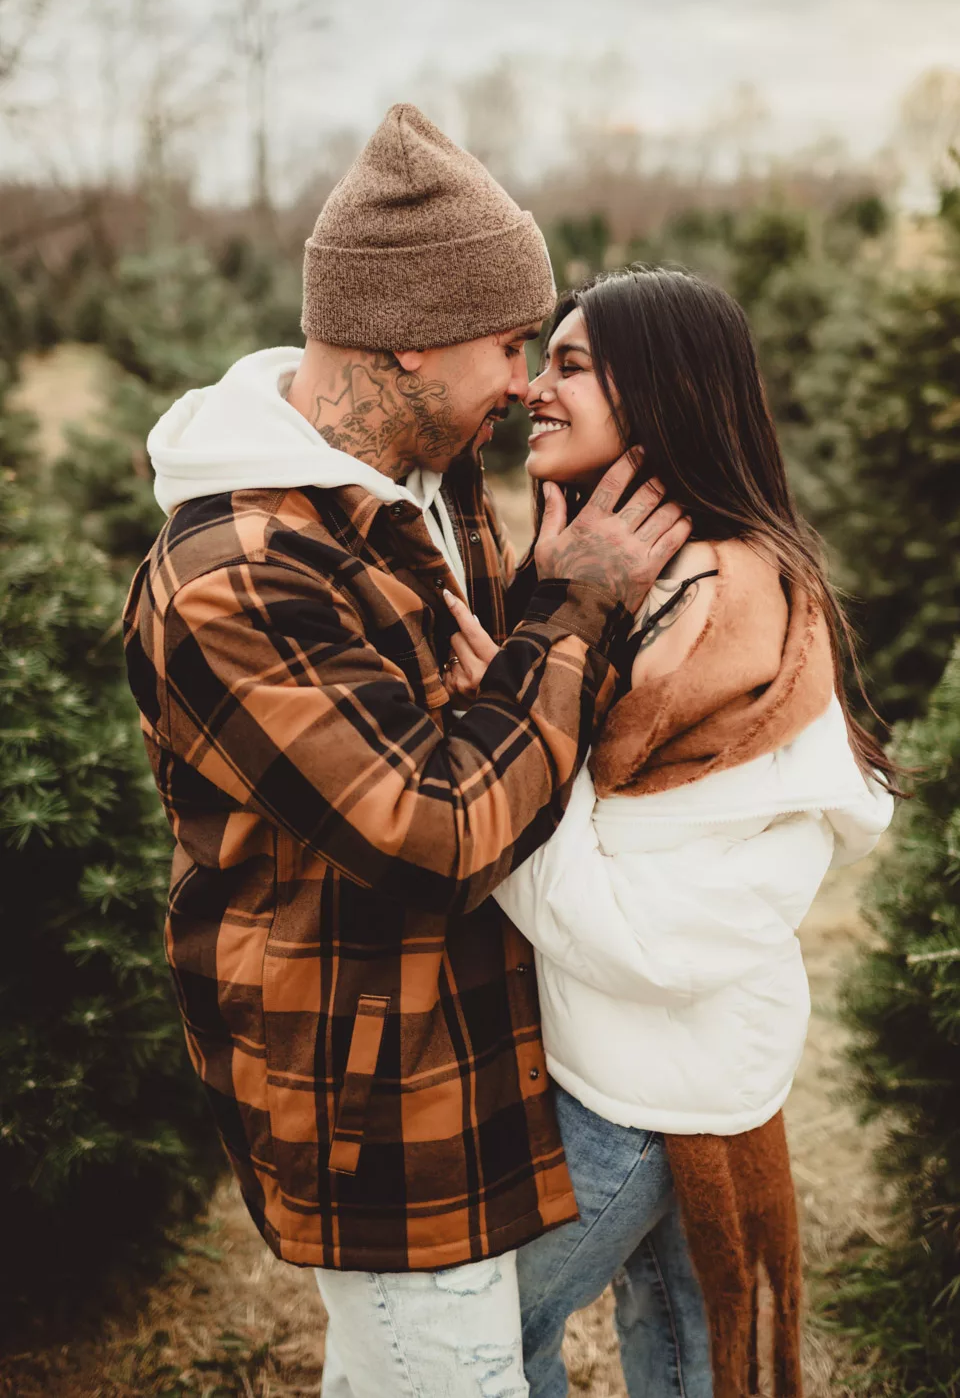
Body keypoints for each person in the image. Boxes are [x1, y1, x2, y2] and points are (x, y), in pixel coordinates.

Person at [122, 108, 691, 1398]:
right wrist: (573, 613)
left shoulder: (431, 490)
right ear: (411, 339)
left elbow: (496, 718)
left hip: (483, 1044)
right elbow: (431, 833)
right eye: (507, 346)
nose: (526, 384)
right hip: (372, 1100)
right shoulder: (236, 572)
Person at [443, 267, 897, 1398]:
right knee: (682, 1350)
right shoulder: (639, 575)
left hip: (641, 1094)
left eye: (571, 366)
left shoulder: (713, 606)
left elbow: (647, 934)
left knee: (482, 1338)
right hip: (637, 1065)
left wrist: (495, 733)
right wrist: (551, 619)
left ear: (663, 393)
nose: (531, 390)